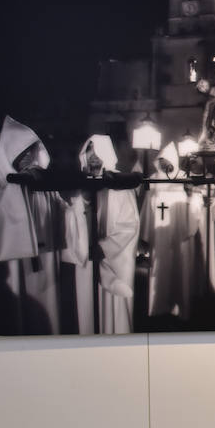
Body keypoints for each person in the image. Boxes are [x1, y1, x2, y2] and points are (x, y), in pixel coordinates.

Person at [0, 115, 69, 335]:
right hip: (12, 270)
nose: (30, 156)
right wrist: (18, 188)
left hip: (46, 266)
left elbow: (64, 215)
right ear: (10, 152)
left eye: (32, 150)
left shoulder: (43, 182)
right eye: (23, 151)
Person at [65, 135, 139, 334]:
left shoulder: (120, 185)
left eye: (98, 153)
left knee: (112, 309)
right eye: (89, 153)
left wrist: (103, 247)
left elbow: (129, 225)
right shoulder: (79, 184)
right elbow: (71, 217)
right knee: (88, 308)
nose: (94, 159)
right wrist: (84, 201)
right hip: (86, 259)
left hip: (111, 260)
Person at [138, 143, 204, 324]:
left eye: (168, 160)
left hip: (178, 234)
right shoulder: (154, 179)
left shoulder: (183, 178)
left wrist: (192, 197)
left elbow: (194, 199)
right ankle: (158, 307)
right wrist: (145, 234)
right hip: (159, 237)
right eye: (162, 160)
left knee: (179, 269)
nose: (165, 163)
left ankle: (178, 308)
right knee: (158, 271)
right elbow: (147, 208)